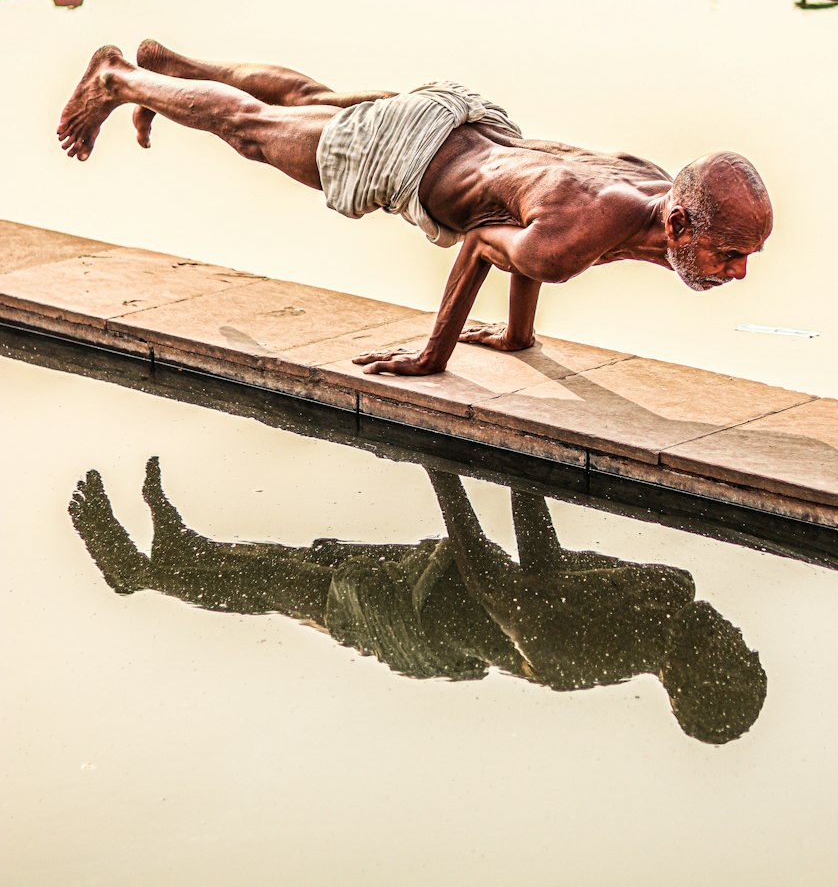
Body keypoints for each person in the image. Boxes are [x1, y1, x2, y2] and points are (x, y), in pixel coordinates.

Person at [57, 41, 773, 377]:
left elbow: (541, 229)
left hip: (466, 118)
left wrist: (520, 337)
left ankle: (172, 69)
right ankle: (120, 78)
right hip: (411, 155)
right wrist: (434, 355)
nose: (737, 272)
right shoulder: (586, 235)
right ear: (680, 224)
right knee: (251, 132)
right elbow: (488, 243)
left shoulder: (651, 185)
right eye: (729, 254)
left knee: (308, 103)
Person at [69, 456, 768, 745]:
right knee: (309, 565)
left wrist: (445, 464)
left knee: (296, 586)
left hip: (420, 623)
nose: (745, 638)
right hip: (440, 581)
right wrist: (523, 469)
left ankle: (146, 574)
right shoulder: (666, 597)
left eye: (739, 659)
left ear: (691, 683)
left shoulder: (580, 657)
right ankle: (178, 555)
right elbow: (545, 566)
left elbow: (498, 578)